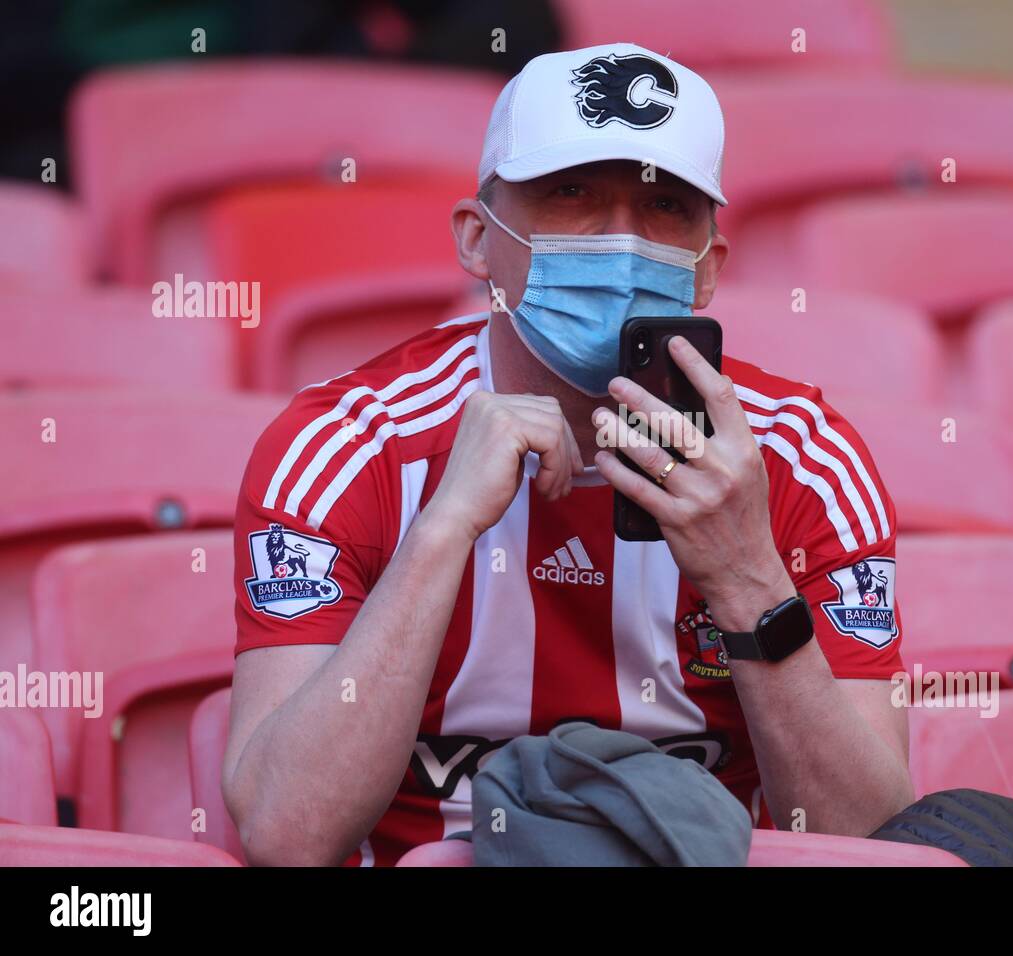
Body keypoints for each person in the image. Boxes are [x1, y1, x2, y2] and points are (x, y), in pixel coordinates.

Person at [225, 42, 913, 866]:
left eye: (666, 209)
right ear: (478, 241)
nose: (621, 243)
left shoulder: (806, 460)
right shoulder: (344, 446)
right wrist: (441, 531)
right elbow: (286, 835)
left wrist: (747, 576)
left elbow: (868, 842)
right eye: (572, 193)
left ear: (707, 269)